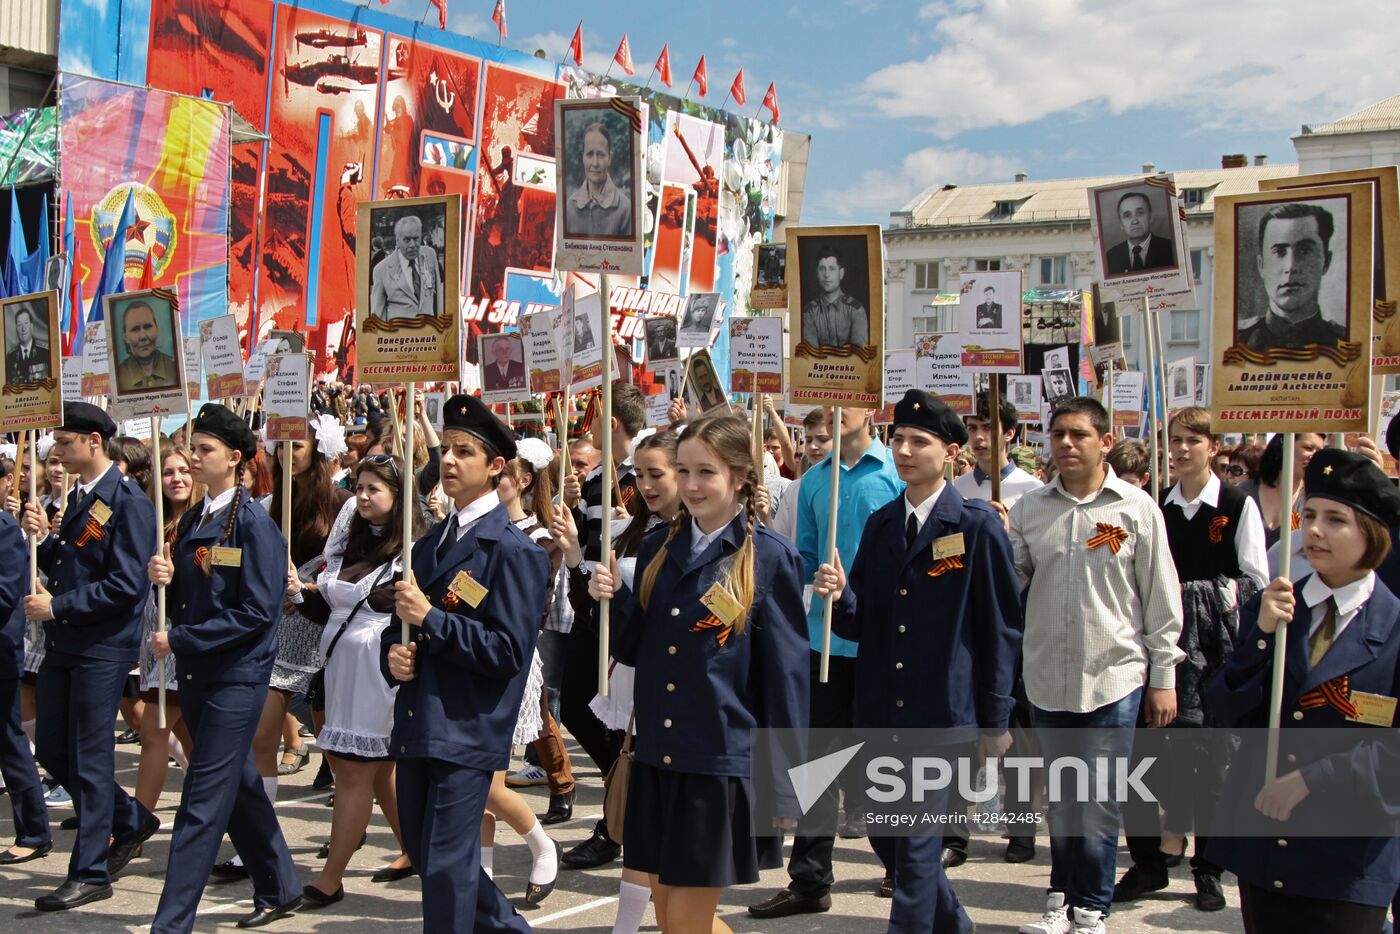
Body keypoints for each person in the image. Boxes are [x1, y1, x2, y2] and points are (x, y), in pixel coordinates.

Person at [588, 414, 810, 934]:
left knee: (684, 922)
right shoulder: (660, 548)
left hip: (717, 762)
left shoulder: (769, 558)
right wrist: (613, 599)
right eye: (683, 471)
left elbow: (787, 679)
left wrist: (790, 779)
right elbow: (633, 648)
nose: (690, 486)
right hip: (657, 758)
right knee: (673, 917)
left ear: (739, 476)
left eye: (705, 472)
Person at [815, 390, 1022, 933]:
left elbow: (1000, 627)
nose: (904, 450)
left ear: (952, 453)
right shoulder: (884, 524)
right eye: (898, 439)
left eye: (919, 441)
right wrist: (840, 596)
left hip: (942, 715)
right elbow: (862, 621)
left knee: (919, 845)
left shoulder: (975, 526)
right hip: (882, 708)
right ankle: (955, 925)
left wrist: (996, 717)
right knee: (891, 838)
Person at [1207, 447, 1400, 933]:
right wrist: (1261, 637)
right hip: (1264, 845)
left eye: (1336, 520)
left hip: (1347, 856)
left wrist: (1312, 780)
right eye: (1309, 514)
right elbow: (1226, 709)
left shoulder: (1394, 625)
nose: (1313, 530)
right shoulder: (1275, 607)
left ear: (1372, 533)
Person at [1009, 397, 1183, 934]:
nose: (1065, 443)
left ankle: (1091, 906)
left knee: (1099, 800)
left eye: (1078, 434)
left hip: (1116, 676)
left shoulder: (1136, 509)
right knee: (1064, 797)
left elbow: (1160, 598)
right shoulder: (1030, 510)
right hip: (1047, 679)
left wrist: (1163, 678)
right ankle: (1060, 896)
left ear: (1105, 441)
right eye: (1057, 434)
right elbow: (1009, 586)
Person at [381, 393, 550, 931]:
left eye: (463, 452)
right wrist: (396, 655)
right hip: (418, 723)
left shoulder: (512, 550)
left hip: (466, 727)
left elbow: (507, 652)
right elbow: (401, 622)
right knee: (435, 861)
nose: (448, 461)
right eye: (446, 450)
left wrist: (432, 619)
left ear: (496, 467)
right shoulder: (429, 544)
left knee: (449, 875)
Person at [146, 403, 303, 931]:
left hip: (235, 677)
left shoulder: (253, 524)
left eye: (204, 449)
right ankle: (280, 884)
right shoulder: (198, 515)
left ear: (234, 458)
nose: (192, 457)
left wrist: (182, 637)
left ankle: (170, 923)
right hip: (199, 673)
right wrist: (166, 572)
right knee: (237, 783)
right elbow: (203, 585)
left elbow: (256, 614)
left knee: (200, 804)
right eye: (193, 447)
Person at [750, 406, 902, 919]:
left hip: (883, 645)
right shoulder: (813, 482)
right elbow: (802, 556)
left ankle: (904, 866)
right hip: (826, 643)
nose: (838, 410)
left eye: (848, 401)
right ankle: (810, 880)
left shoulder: (897, 473)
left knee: (882, 767)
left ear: (871, 408)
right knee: (817, 765)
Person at [1115, 407, 1268, 913]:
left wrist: (1195, 596)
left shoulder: (1236, 505)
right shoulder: (1153, 506)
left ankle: (1208, 867)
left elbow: (1255, 580)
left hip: (1214, 655)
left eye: (1192, 442)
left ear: (1212, 447)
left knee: (1210, 764)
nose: (1181, 451)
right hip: (1159, 650)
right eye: (1175, 441)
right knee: (1147, 761)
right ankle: (1151, 861)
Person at [20, 403, 159, 912]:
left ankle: (90, 870)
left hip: (101, 646)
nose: (56, 450)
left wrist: (58, 604)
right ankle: (128, 819)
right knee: (54, 751)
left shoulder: (128, 502)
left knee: (91, 757)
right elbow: (74, 560)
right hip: (65, 642)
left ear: (94, 441)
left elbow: (126, 584)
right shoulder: (80, 497)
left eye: (64, 441)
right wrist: (47, 537)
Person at [555, 429, 680, 934]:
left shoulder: (699, 541)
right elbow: (600, 616)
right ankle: (626, 918)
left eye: (658, 474)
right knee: (636, 797)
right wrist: (573, 560)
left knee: (661, 821)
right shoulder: (636, 531)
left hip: (669, 687)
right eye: (640, 475)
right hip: (628, 672)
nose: (646, 485)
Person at [295, 457, 416, 904]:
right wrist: (296, 592)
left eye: (374, 489)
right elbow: (332, 612)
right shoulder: (352, 543)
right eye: (359, 487)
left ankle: (330, 879)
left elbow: (418, 618)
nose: (362, 496)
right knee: (380, 774)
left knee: (351, 772)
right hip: (339, 666)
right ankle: (415, 849)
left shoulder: (413, 551)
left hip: (376, 673)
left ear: (398, 496)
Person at [559, 383, 645, 870]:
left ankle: (616, 822)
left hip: (627, 615)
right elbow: (587, 550)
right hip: (591, 610)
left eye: (591, 414)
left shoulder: (646, 474)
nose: (584, 422)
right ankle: (622, 801)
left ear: (610, 421)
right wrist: (572, 509)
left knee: (620, 719)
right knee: (576, 705)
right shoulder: (596, 479)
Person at [478, 438, 562, 905]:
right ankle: (484, 877)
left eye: (502, 476)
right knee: (478, 781)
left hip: (509, 662)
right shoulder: (473, 529)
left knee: (487, 782)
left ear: (522, 481)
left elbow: (534, 611)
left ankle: (541, 844)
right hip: (470, 658)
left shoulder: (540, 540)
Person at [133, 442, 200, 814]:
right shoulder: (151, 520)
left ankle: (137, 823)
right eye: (169, 472)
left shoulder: (203, 522)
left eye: (184, 470)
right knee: (187, 735)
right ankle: (224, 811)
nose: (177, 479)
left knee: (154, 732)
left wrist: (177, 577)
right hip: (152, 635)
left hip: (181, 638)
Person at [0, 506, 51, 866]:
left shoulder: (4, 528)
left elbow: (7, 592)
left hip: (1, 648)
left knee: (9, 740)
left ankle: (34, 830)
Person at [1238, 202, 1347, 353]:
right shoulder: (1237, 343)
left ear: (1326, 262)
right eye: (1279, 252)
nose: (1290, 267)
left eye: (1304, 251)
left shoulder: (1346, 344)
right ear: (1261, 265)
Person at [954, 390, 1044, 508]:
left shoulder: (1032, 488)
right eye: (972, 428)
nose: (978, 436)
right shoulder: (958, 488)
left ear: (1009, 433)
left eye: (988, 427)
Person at [565, 120, 632, 237]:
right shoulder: (570, 206)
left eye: (601, 154)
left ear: (610, 158)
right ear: (583, 157)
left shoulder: (626, 209)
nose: (595, 163)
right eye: (590, 154)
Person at [370, 215, 443, 321]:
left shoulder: (429, 255)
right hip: (399, 336)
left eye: (416, 238)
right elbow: (377, 318)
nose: (412, 244)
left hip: (430, 334)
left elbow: (438, 301)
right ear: (397, 241)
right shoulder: (381, 270)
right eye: (407, 240)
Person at [801, 245, 869, 349]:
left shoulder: (856, 310)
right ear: (817, 273)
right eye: (822, 269)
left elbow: (859, 356)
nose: (826, 275)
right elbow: (811, 355)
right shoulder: (809, 312)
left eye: (832, 269)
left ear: (841, 273)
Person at [1104, 191, 1176, 274]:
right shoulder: (1110, 257)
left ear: (1150, 217)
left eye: (1140, 213)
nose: (1134, 221)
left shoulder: (1171, 250)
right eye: (1127, 216)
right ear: (1121, 224)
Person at [115, 301, 179, 393]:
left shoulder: (175, 369)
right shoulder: (118, 376)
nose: (143, 336)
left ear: (157, 328)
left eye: (147, 326)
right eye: (135, 329)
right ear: (125, 337)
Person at [5, 302, 50, 383]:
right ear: (16, 328)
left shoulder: (45, 352)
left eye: (26, 323)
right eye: (19, 325)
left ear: (31, 326)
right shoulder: (10, 357)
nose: (23, 329)